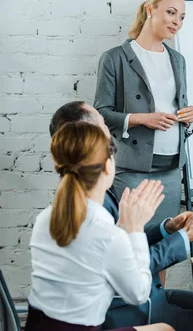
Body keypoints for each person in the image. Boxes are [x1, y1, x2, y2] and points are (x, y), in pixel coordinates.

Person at [49, 101, 193, 331]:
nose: (110, 133)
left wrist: (169, 228)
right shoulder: (86, 206)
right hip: (134, 312)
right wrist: (185, 237)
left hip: (152, 298)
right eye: (103, 125)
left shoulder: (91, 189)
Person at [27, 121, 172, 331]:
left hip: (38, 326)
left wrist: (123, 226)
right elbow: (138, 294)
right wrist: (136, 228)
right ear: (107, 165)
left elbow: (91, 257)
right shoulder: (107, 234)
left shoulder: (45, 218)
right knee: (165, 329)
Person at [94, 0, 193, 227]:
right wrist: (140, 119)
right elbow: (100, 114)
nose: (176, 22)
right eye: (171, 13)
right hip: (133, 168)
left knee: (165, 243)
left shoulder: (177, 60)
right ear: (150, 9)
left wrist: (189, 118)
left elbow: (176, 106)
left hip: (171, 169)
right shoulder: (115, 58)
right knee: (131, 242)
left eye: (181, 17)